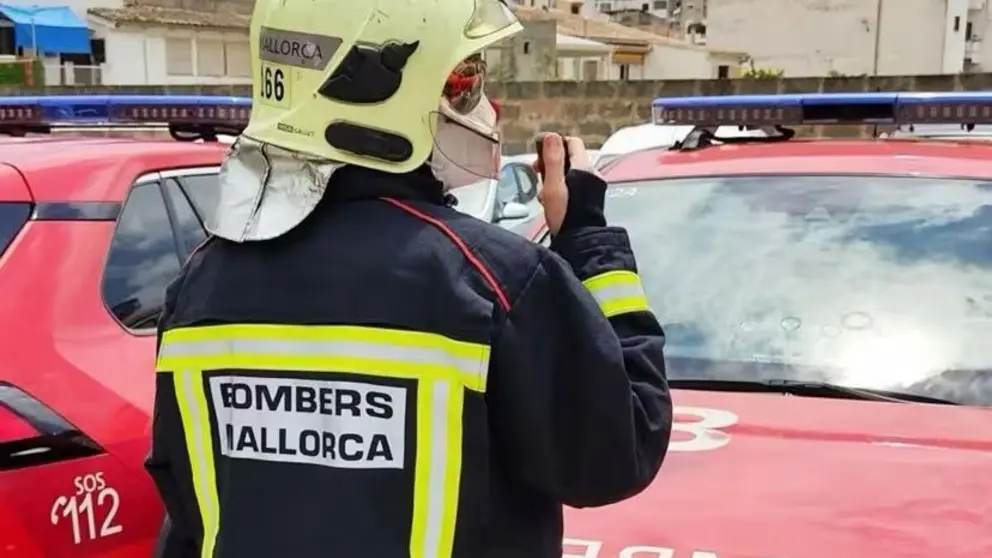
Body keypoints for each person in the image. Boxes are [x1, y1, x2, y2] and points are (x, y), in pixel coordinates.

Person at [144, 0, 673, 555]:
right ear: (380, 87)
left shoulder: (200, 284)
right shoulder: (494, 282)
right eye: (461, 80)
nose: (478, 103)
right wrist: (588, 238)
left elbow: (189, 513)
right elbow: (621, 450)